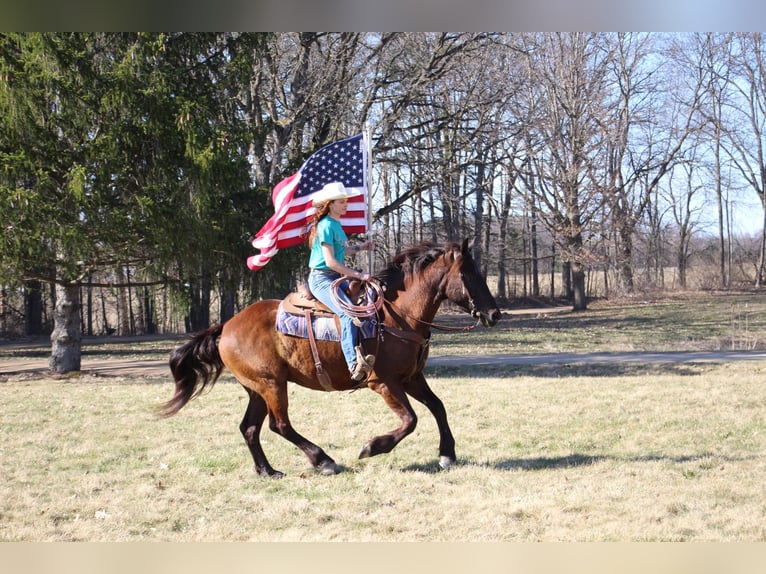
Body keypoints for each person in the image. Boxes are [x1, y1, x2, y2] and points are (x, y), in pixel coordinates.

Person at [307, 181, 376, 382]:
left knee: (368, 300)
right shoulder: (326, 225)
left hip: (335, 277)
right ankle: (353, 364)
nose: (345, 204)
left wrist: (361, 248)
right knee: (347, 314)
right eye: (341, 202)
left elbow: (340, 251)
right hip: (321, 278)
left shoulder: (336, 224)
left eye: (345, 201)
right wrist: (358, 275)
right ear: (330, 204)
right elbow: (330, 261)